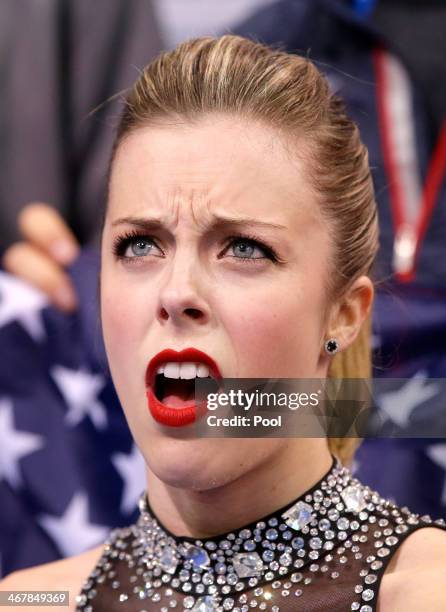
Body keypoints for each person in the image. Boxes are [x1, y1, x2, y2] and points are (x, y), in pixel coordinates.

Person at [1, 34, 446, 611]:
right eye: (139, 245)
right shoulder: (30, 602)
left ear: (344, 314)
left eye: (243, 249)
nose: (177, 291)